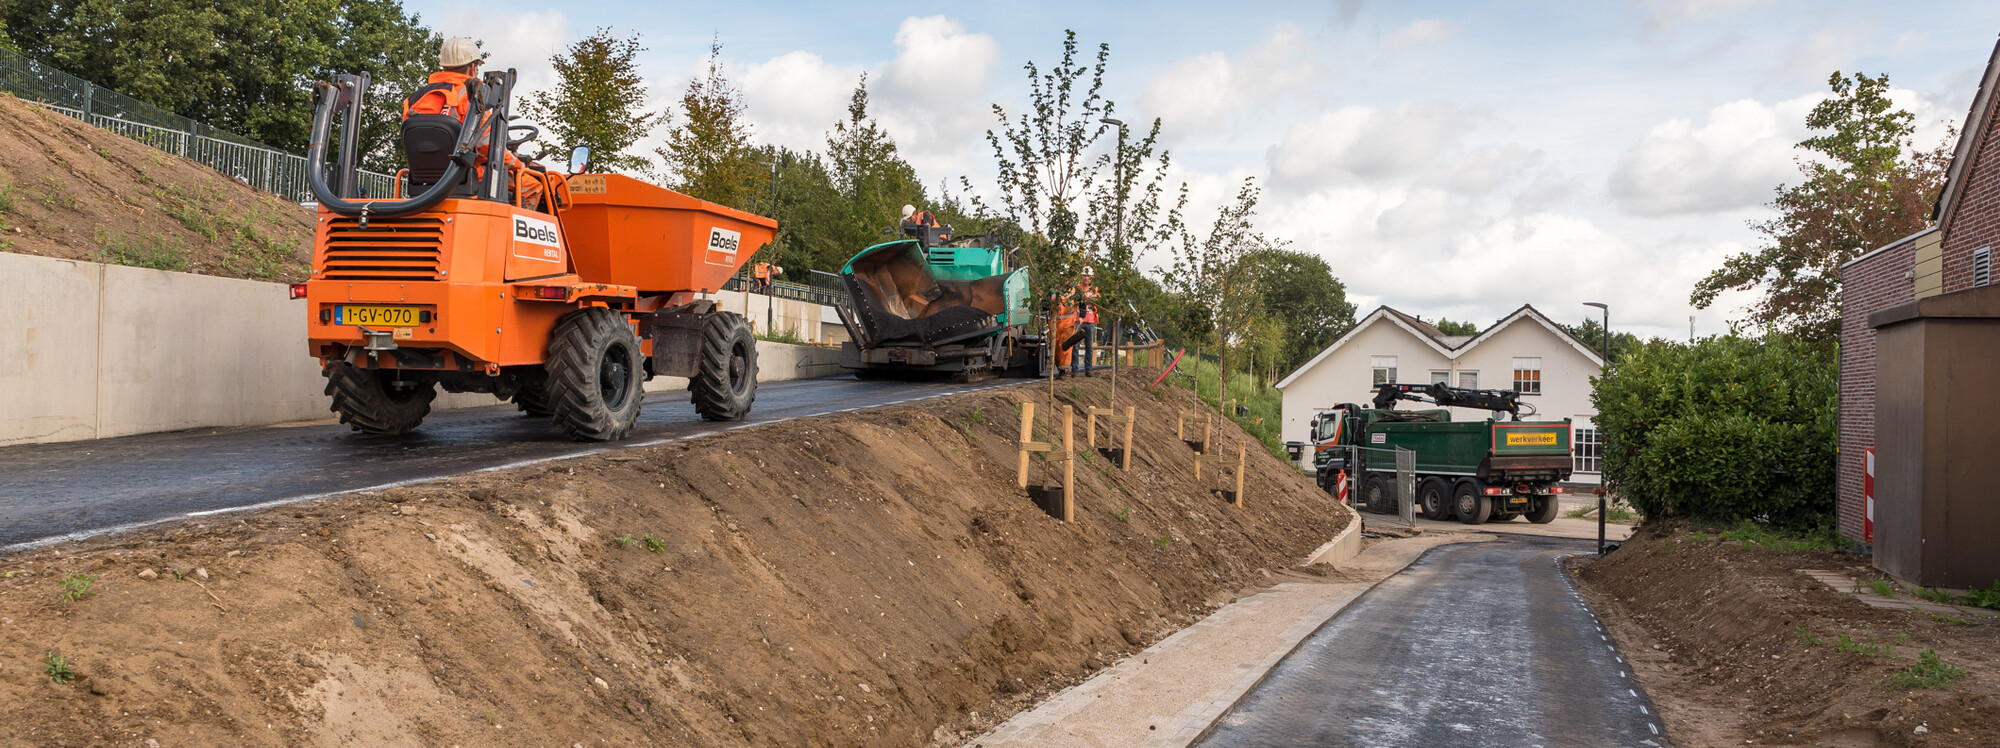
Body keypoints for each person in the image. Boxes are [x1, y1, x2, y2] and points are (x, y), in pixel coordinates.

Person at [403, 37, 542, 210]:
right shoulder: (473, 94)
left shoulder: (414, 99)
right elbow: (487, 145)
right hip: (467, 175)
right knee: (532, 184)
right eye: (476, 67)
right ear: (471, 67)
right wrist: (518, 164)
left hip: (422, 179)